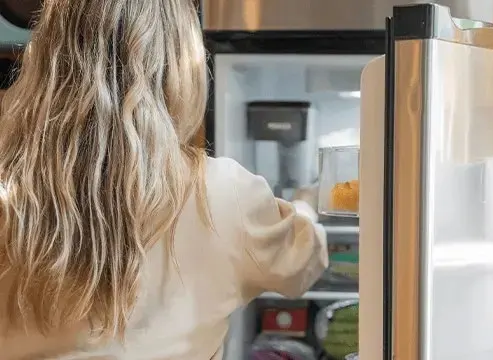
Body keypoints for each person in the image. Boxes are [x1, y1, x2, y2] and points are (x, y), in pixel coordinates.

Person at [0, 0, 328, 358]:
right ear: (178, 66)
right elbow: (303, 265)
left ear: (48, 59)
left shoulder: (9, 192)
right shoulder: (223, 194)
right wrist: (305, 204)